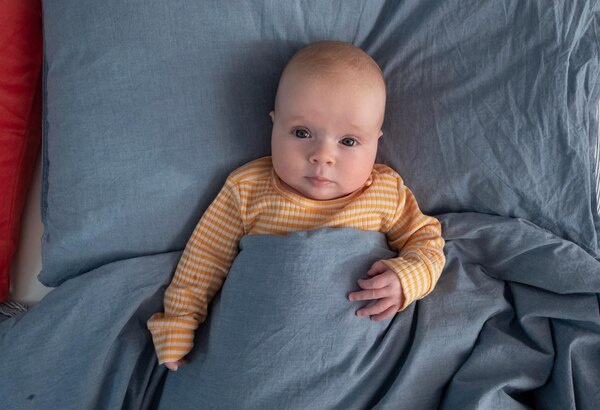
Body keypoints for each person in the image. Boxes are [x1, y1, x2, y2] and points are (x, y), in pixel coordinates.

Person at [147, 40, 446, 371]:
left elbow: (427, 241)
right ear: (274, 123)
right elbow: (204, 258)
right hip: (265, 350)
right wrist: (177, 321)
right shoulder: (247, 187)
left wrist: (408, 279)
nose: (322, 155)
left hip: (354, 357)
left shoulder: (385, 191)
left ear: (376, 141)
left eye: (348, 141)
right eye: (301, 132)